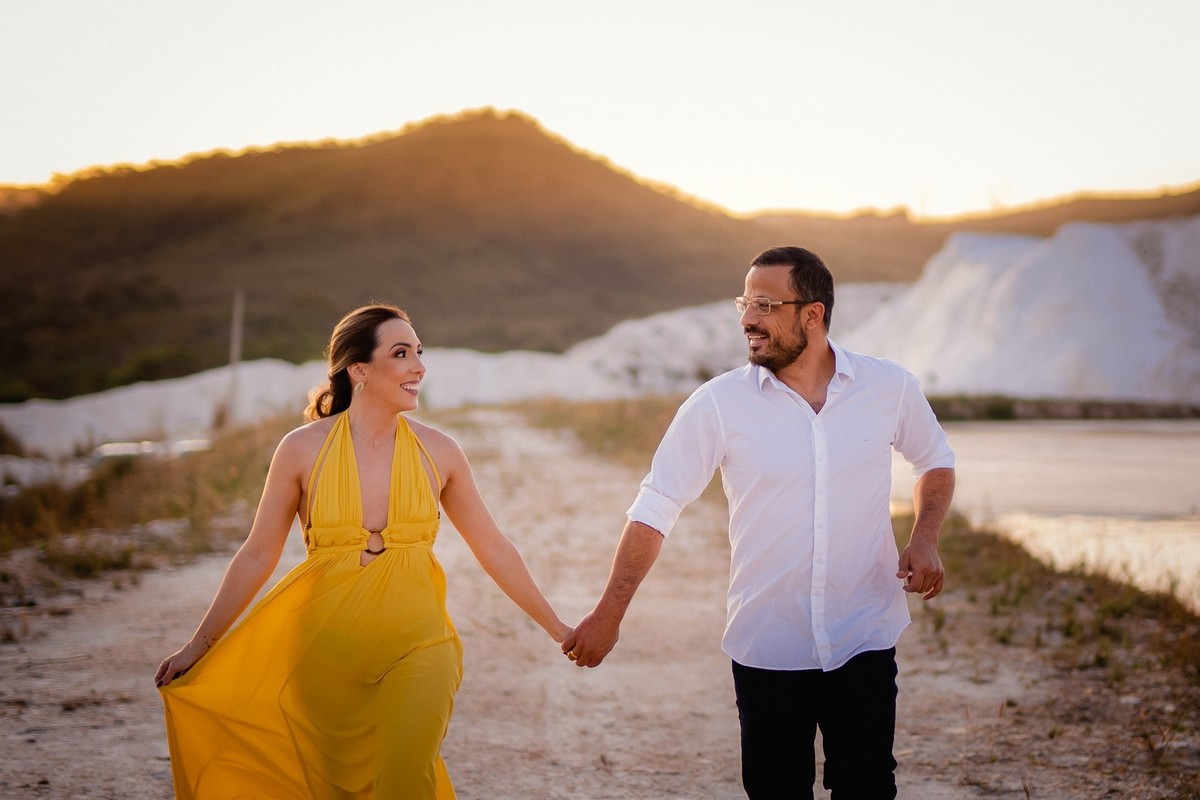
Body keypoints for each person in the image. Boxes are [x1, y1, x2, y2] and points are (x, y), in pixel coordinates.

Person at [560, 247, 956, 799]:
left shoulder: (889, 387)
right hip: (767, 645)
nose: (748, 319)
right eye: (744, 303)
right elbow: (657, 505)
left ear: (813, 314)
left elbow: (934, 460)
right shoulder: (718, 404)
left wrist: (925, 537)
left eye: (765, 305)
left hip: (863, 635)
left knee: (868, 787)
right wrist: (609, 612)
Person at [156, 302, 571, 799]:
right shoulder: (301, 449)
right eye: (401, 353)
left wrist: (559, 630)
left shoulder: (441, 451)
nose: (419, 366)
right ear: (359, 369)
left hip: (420, 646)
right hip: (326, 656)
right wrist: (199, 644)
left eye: (419, 352)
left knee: (404, 779)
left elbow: (496, 550)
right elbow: (256, 555)